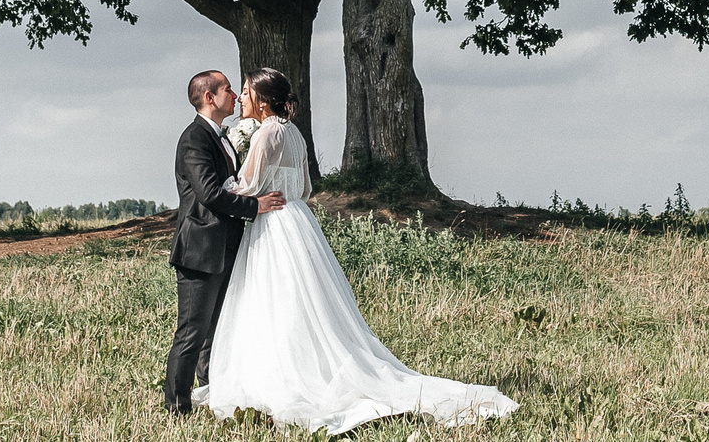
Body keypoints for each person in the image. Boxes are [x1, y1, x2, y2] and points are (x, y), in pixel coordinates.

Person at [200, 67, 517, 433]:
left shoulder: (265, 133)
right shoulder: (295, 135)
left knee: (272, 298)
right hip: (298, 220)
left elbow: (247, 185)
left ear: (262, 98)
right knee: (303, 300)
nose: (241, 97)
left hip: (272, 222)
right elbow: (303, 189)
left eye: (245, 91)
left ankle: (282, 375)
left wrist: (224, 180)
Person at [166, 69, 286, 415]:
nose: (234, 95)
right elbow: (209, 193)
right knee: (191, 333)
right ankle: (177, 407)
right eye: (228, 89)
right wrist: (255, 205)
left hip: (227, 247)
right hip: (200, 251)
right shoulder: (194, 139)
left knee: (216, 333)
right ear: (209, 97)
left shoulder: (223, 137)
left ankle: (212, 395)